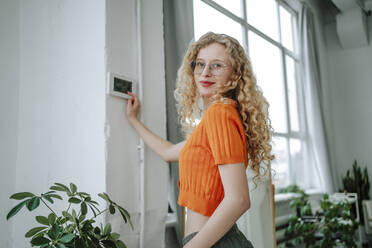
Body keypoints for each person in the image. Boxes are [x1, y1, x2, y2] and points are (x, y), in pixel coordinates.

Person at [125, 32, 275, 248]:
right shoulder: (213, 121)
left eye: (217, 66)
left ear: (235, 74)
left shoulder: (220, 114)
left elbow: (238, 200)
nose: (205, 72)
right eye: (200, 64)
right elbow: (168, 152)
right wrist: (133, 120)